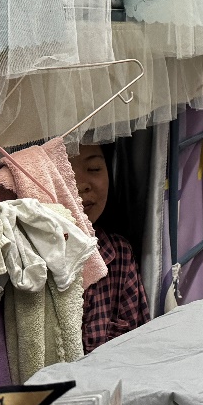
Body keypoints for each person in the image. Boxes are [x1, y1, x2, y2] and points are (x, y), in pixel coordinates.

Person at [70, 143, 150, 353]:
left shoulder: (119, 255)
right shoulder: (30, 264)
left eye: (94, 168)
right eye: (65, 171)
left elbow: (139, 345)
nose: (82, 185)